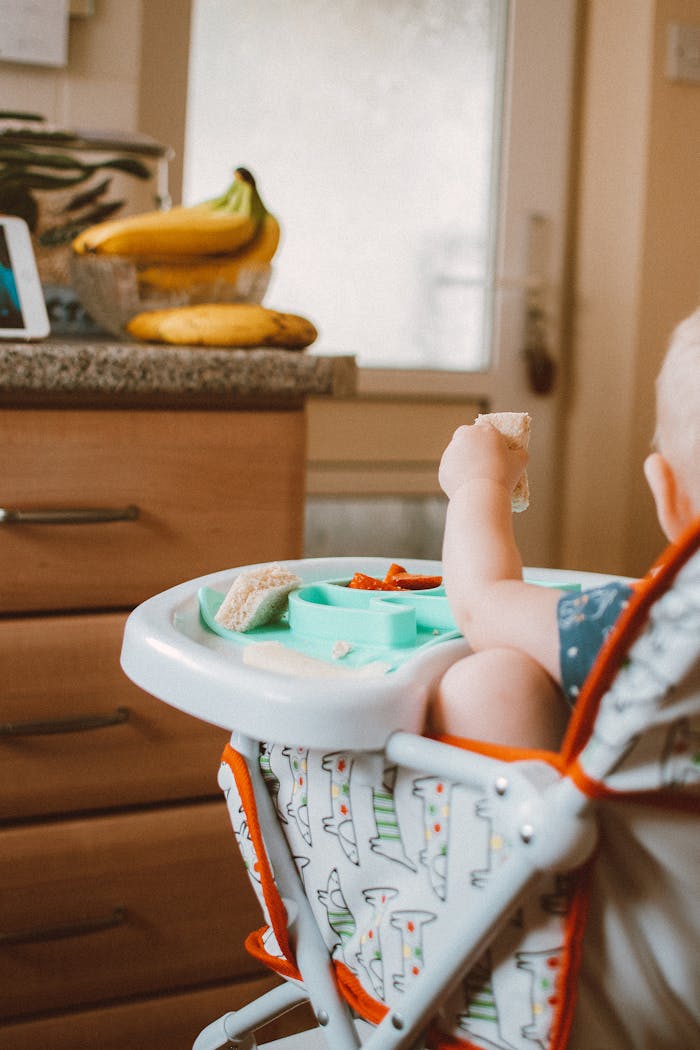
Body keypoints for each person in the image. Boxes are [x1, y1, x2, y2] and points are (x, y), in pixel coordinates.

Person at [428, 307, 700, 749]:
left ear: (672, 500)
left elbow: (483, 605)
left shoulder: (655, 628)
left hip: (620, 821)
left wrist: (478, 484)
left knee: (487, 684)